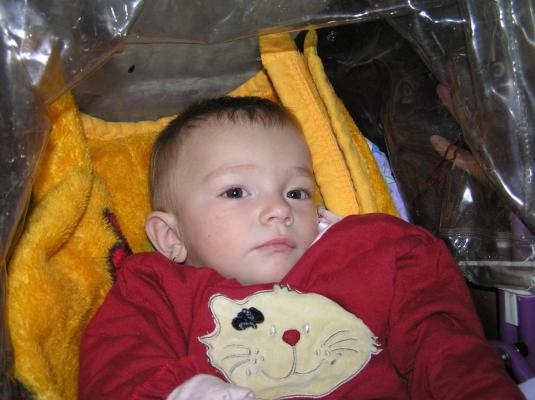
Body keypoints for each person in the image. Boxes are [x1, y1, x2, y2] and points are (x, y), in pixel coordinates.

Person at [79, 96, 524, 399]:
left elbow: (445, 348)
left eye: (296, 192)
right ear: (171, 237)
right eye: (235, 192)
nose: (279, 209)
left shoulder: (374, 253)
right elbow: (116, 365)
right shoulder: (155, 287)